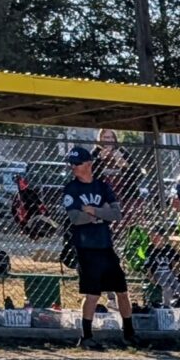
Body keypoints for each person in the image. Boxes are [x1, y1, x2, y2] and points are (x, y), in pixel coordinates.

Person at [59, 141, 139, 347]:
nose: (74, 167)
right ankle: (86, 336)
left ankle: (129, 333)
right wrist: (101, 213)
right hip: (86, 247)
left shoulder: (102, 186)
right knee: (92, 293)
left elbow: (116, 214)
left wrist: (93, 211)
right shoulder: (71, 188)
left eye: (77, 163)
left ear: (89, 164)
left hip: (106, 246)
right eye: (72, 164)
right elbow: (75, 218)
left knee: (122, 290)